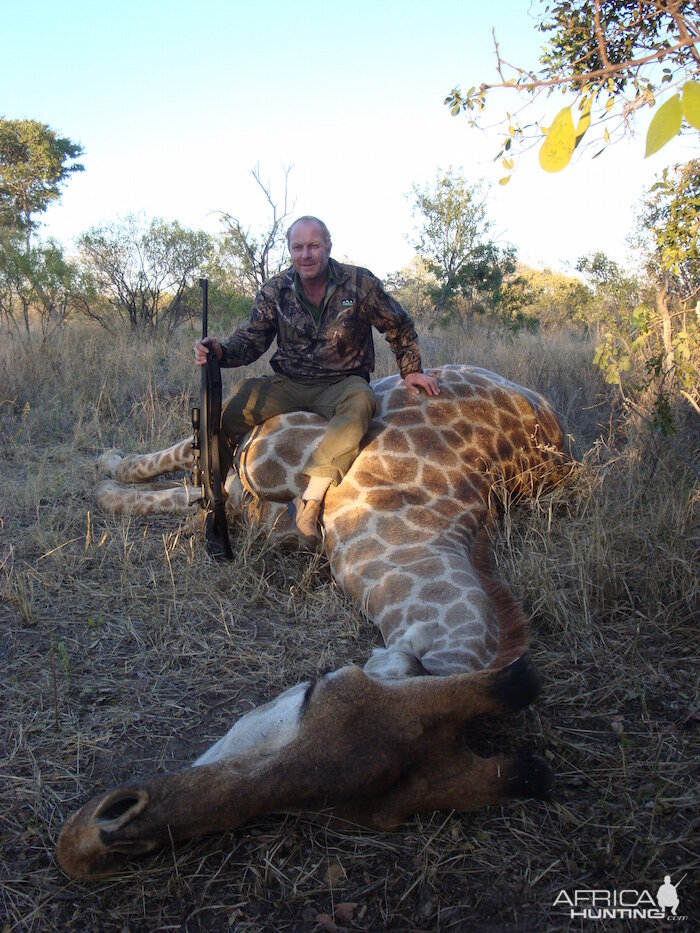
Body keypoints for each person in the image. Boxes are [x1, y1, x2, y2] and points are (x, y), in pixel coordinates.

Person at [195, 215, 439, 547]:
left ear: (327, 247)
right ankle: (216, 493)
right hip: (290, 382)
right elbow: (251, 341)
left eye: (313, 246)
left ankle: (310, 501)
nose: (305, 254)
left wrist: (411, 369)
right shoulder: (275, 290)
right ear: (290, 250)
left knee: (362, 403)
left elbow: (397, 323)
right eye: (298, 247)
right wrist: (220, 351)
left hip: (343, 382)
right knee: (225, 413)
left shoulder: (358, 282)